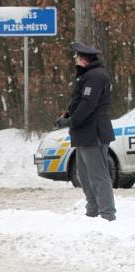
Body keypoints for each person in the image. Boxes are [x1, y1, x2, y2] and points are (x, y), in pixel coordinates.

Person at [54, 42, 116, 221]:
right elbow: (78, 100)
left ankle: (107, 214)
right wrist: (66, 115)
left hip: (93, 133)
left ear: (84, 59)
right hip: (84, 133)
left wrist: (71, 121)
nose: (75, 60)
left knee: (98, 175)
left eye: (77, 57)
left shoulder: (96, 76)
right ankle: (93, 210)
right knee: (84, 174)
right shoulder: (87, 76)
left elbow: (88, 105)